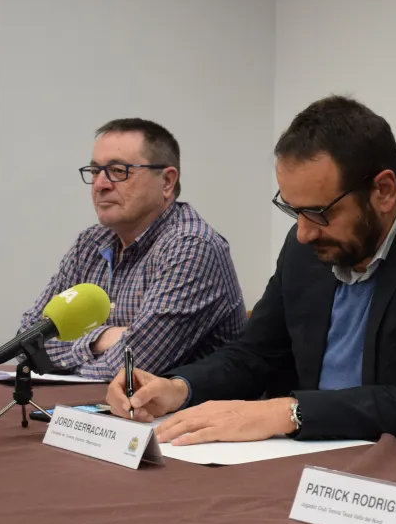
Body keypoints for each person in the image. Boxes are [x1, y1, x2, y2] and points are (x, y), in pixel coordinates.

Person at [106, 95, 396, 452]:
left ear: (383, 191)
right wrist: (179, 388)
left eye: (319, 212)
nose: (303, 232)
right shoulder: (305, 249)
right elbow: (255, 354)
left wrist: (289, 412)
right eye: (293, 209)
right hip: (315, 458)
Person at [18, 118, 247, 379]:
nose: (100, 185)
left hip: (186, 416)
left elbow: (130, 369)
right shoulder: (90, 243)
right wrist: (101, 339)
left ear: (167, 182)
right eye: (95, 172)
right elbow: (26, 342)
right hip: (101, 411)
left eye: (118, 171)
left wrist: (72, 350)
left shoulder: (192, 247)